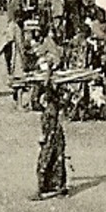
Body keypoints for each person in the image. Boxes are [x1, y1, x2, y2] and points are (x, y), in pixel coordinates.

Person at [34, 71, 69, 201]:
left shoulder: (53, 104)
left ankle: (46, 188)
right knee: (56, 161)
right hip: (53, 135)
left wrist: (47, 82)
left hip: (52, 136)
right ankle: (56, 187)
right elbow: (35, 102)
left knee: (46, 162)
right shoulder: (50, 105)